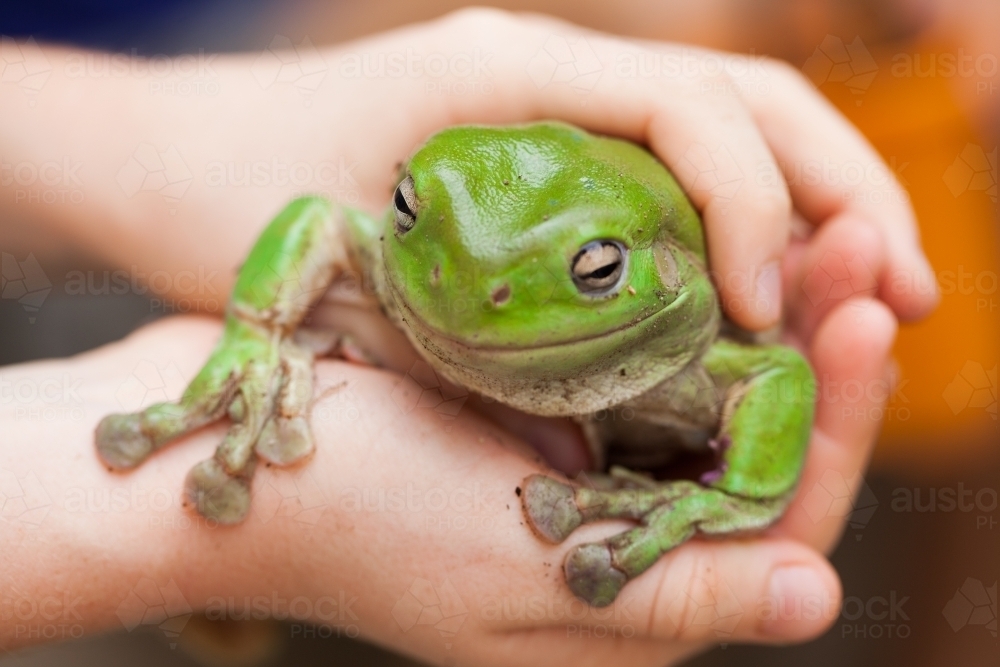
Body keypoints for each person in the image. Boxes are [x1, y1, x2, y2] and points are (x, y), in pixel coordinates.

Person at [0, 9, 937, 667]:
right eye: (411, 208)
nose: (469, 289)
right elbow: (329, 222)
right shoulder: (402, 245)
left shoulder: (688, 335)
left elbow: (772, 369)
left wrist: (741, 491)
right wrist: (255, 330)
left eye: (597, 267)